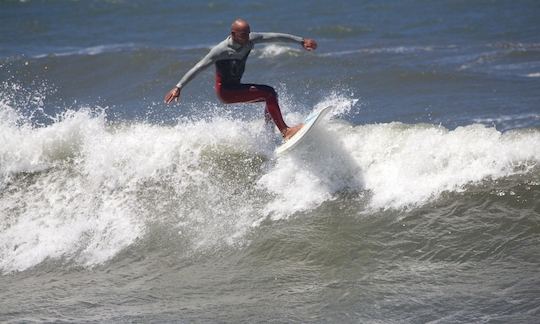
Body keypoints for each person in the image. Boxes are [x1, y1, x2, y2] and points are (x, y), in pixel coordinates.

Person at [164, 18, 317, 140]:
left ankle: (269, 136)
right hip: (226, 92)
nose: (247, 37)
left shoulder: (250, 40)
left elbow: (274, 36)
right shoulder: (220, 50)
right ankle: (285, 131)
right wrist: (178, 87)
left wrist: (301, 41)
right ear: (233, 33)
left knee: (270, 96)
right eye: (244, 34)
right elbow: (199, 67)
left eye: (248, 33)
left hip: (236, 86)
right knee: (268, 93)